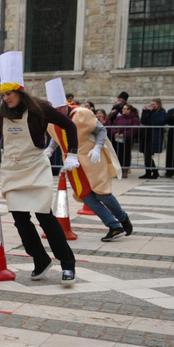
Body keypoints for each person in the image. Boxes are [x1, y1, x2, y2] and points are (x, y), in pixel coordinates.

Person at [0, 52, 79, 285]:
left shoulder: (40, 109)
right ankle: (40, 259)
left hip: (36, 168)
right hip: (13, 170)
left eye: (9, 93)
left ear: (20, 91)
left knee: (45, 217)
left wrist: (72, 153)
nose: (6, 98)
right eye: (3, 94)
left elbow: (68, 125)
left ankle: (67, 264)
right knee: (20, 219)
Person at [44, 79, 131, 242]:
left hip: (91, 157)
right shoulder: (53, 119)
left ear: (65, 105)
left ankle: (123, 218)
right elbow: (56, 135)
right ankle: (114, 226)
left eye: (59, 109)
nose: (57, 113)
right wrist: (50, 148)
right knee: (85, 196)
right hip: (72, 162)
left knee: (101, 192)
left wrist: (98, 148)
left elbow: (101, 130)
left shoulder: (82, 114)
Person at [138, 99, 165, 179]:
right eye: (151, 104)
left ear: (158, 104)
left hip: (154, 135)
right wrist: (144, 112)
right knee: (146, 155)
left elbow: (159, 121)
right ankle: (148, 172)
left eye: (154, 104)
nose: (152, 106)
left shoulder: (161, 112)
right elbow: (143, 121)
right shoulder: (150, 112)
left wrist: (154, 113)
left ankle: (155, 172)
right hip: (147, 135)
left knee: (148, 155)